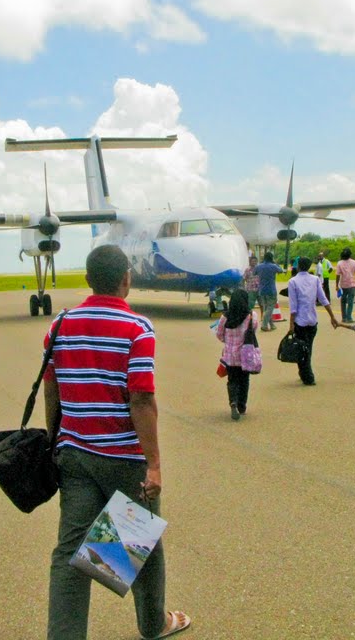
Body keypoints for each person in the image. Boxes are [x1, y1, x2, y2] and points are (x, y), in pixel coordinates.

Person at [43, 244, 191, 640]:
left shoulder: (60, 325)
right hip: (123, 458)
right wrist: (155, 463)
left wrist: (55, 442)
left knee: (69, 553)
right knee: (141, 541)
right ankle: (153, 624)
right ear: (126, 279)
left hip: (74, 455)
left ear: (89, 280)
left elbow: (52, 390)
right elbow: (141, 398)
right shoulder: (137, 329)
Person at [286, 255, 338, 385]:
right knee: (308, 347)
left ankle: (308, 376)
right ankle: (304, 372)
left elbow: (293, 306)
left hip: (300, 321)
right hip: (312, 320)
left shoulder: (293, 282)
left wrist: (291, 324)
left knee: (302, 348)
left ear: (298, 266)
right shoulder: (315, 279)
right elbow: (323, 299)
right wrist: (332, 316)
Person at [216, 288, 258, 421]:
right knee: (244, 380)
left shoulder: (225, 317)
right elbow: (254, 330)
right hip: (245, 356)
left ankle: (232, 402)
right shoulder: (251, 315)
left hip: (229, 356)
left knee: (232, 380)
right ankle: (242, 406)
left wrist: (228, 341)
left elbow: (219, 335)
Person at [253, 252, 285, 331]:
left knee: (266, 308)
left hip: (262, 290)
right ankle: (264, 325)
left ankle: (272, 325)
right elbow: (281, 270)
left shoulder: (259, 266)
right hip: (271, 290)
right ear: (271, 258)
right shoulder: (273, 266)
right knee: (270, 308)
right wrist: (275, 263)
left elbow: (254, 273)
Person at [334, 247, 355, 324]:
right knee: (350, 302)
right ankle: (349, 317)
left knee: (343, 301)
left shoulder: (339, 263)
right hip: (352, 284)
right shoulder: (354, 262)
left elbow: (338, 275)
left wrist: (336, 285)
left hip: (343, 285)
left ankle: (344, 317)